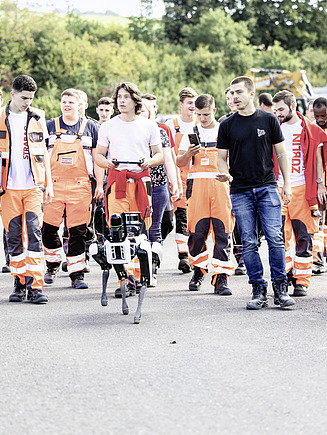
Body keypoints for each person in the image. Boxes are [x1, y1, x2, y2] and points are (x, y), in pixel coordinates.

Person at [216, 76, 295, 310]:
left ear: (251, 94)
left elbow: (281, 154)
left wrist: (287, 184)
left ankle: (280, 289)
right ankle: (258, 289)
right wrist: (226, 173)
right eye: (231, 93)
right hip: (240, 190)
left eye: (238, 92)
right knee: (249, 242)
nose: (234, 97)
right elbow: (220, 158)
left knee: (275, 238)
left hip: (267, 187)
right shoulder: (227, 125)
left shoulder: (269, 120)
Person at [95, 82, 163, 296]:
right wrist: (109, 163)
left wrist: (148, 161)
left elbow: (159, 155)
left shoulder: (149, 125)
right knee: (117, 230)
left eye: (125, 97)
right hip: (118, 182)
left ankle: (140, 274)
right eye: (119, 97)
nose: (121, 100)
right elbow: (97, 156)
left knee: (139, 230)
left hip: (141, 181)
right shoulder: (108, 126)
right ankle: (123, 278)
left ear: (135, 100)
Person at [42, 88, 103, 289]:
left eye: (71, 102)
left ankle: (76, 273)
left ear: (80, 104)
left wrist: (100, 185)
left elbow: (97, 160)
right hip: (54, 186)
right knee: (48, 229)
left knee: (78, 231)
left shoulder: (92, 128)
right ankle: (52, 264)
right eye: (64, 101)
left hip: (81, 186)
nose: (67, 105)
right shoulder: (49, 126)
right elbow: (40, 157)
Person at [0, 74, 53, 303]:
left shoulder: (38, 117)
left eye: (31, 98)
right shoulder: (0, 118)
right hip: (8, 189)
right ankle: (19, 283)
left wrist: (48, 184)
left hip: (33, 187)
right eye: (23, 98)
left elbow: (44, 155)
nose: (27, 102)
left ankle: (36, 287)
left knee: (34, 235)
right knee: (14, 238)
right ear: (12, 94)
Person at [176, 94, 235, 294]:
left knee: (223, 232)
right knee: (197, 233)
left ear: (214, 111)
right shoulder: (190, 133)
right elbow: (179, 162)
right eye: (199, 114)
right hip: (197, 189)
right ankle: (199, 270)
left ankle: (221, 278)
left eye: (206, 114)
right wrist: (188, 153)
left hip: (220, 188)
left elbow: (233, 161)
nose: (202, 118)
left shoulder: (224, 131)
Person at [273, 90, 326, 296]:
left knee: (303, 235)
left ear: (292, 107)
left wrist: (320, 183)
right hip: (278, 188)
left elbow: (319, 158)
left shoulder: (311, 129)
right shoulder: (273, 127)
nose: (277, 113)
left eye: (281, 109)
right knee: (280, 237)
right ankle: (285, 274)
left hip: (303, 189)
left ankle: (302, 280)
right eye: (275, 109)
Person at [140, 99, 178, 285]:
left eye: (144, 110)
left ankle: (153, 269)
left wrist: (174, 182)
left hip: (158, 185)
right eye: (138, 110)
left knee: (154, 227)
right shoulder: (129, 131)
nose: (141, 113)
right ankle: (140, 268)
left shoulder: (160, 131)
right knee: (139, 229)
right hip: (136, 185)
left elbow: (168, 160)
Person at [166, 87, 198, 274]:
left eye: (194, 103)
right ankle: (183, 256)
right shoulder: (172, 125)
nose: (192, 107)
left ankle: (194, 253)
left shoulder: (199, 124)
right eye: (189, 103)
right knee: (181, 217)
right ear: (181, 104)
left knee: (195, 218)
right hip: (178, 177)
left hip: (197, 177)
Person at [312, 97, 327, 273]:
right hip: (320, 180)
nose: (321, 119)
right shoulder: (313, 129)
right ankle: (318, 258)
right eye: (318, 115)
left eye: (324, 115)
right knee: (319, 219)